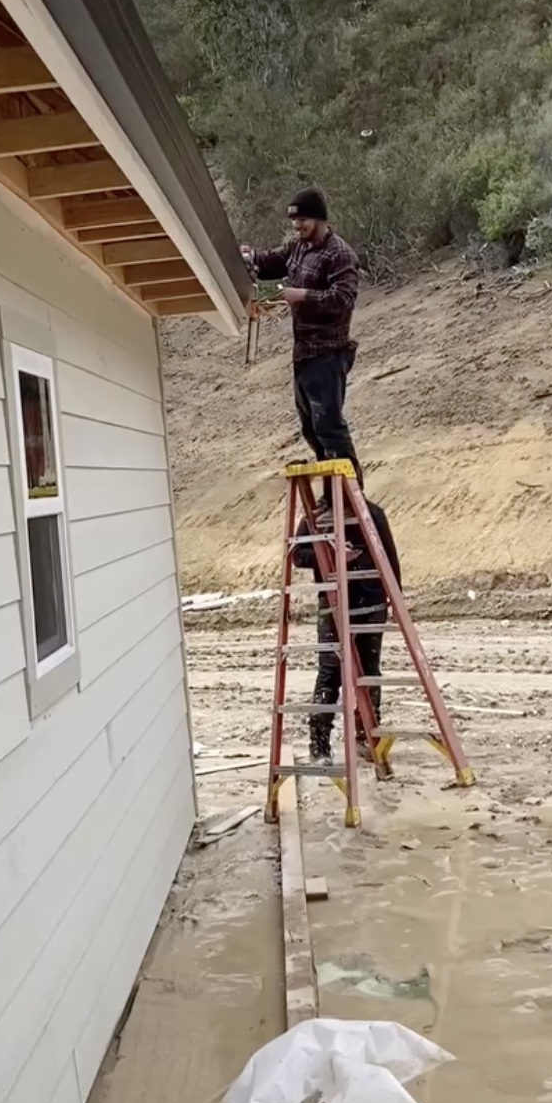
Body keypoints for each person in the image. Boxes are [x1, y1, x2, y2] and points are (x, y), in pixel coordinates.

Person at [242, 189, 362, 511]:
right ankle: (332, 497)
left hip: (329, 353)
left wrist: (302, 295)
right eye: (294, 221)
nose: (297, 227)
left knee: (329, 427)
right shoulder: (298, 247)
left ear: (319, 219)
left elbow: (342, 300)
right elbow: (271, 262)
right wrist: (250, 257)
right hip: (303, 354)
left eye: (302, 220)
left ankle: (351, 497)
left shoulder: (340, 255)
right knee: (311, 428)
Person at [292, 496, 402, 763]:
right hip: (333, 603)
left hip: (370, 600)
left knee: (369, 673)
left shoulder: (372, 513)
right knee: (330, 673)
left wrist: (396, 599)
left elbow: (389, 556)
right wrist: (331, 553)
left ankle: (367, 737)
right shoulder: (315, 517)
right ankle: (320, 745)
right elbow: (298, 555)